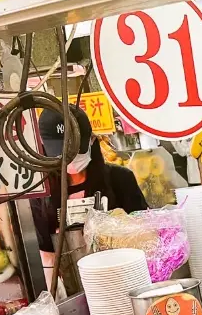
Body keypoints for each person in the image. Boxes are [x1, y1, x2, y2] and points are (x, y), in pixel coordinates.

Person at [30, 105, 148, 283]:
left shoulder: (120, 179)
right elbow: (47, 256)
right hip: (71, 287)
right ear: (44, 149)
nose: (70, 158)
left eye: (75, 149)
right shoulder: (41, 195)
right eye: (61, 152)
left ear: (92, 140)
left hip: (124, 279)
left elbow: (145, 236)